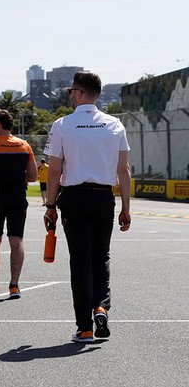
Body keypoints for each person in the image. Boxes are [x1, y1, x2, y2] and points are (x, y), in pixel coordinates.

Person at [44, 71, 131, 344]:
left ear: (79, 93)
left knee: (79, 262)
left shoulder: (62, 124)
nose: (70, 95)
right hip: (104, 197)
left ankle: (84, 327)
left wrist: (49, 206)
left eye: (71, 91)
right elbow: (124, 171)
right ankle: (101, 307)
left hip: (75, 198)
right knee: (100, 257)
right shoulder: (115, 124)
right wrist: (126, 209)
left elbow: (54, 169)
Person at [0, 109, 37, 300]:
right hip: (18, 199)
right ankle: (14, 285)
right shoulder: (24, 145)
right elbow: (33, 176)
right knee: (16, 240)